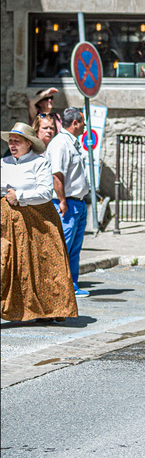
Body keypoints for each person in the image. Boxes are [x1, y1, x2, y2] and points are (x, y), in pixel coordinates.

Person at [1, 123, 78, 324]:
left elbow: (45, 192)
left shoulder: (39, 163)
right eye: (10, 141)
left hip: (36, 219)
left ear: (29, 143)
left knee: (41, 264)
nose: (12, 145)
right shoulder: (4, 162)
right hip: (7, 220)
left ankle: (46, 309)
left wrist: (20, 196)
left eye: (17, 141)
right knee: (6, 262)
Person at [45, 107, 92, 299]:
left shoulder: (73, 143)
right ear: (75, 123)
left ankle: (72, 285)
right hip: (67, 203)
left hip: (78, 203)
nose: (84, 126)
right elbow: (57, 174)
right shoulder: (61, 144)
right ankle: (58, 287)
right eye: (82, 123)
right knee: (63, 246)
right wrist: (62, 201)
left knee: (74, 248)